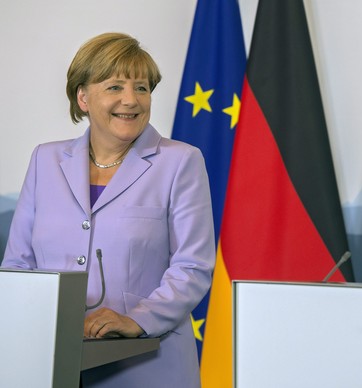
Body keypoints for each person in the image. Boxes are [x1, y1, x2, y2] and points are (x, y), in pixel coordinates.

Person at [2, 32, 215, 387]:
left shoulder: (181, 162)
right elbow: (18, 265)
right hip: (48, 362)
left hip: (147, 363)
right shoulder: (45, 159)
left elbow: (192, 266)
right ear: (83, 97)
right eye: (115, 87)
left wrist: (138, 320)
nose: (131, 100)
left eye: (142, 88)